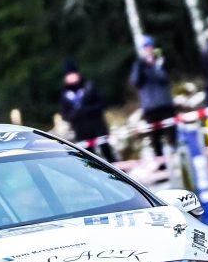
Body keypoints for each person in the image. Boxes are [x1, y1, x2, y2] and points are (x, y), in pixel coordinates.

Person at [129, 35, 178, 167]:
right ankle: (161, 165)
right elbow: (136, 82)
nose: (147, 50)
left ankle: (177, 159)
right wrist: (141, 66)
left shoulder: (160, 61)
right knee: (155, 138)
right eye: (144, 48)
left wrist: (152, 67)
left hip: (166, 104)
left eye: (149, 47)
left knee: (172, 134)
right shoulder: (139, 65)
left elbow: (164, 78)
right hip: (150, 108)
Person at [58, 61, 117, 163]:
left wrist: (87, 109)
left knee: (107, 153)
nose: (71, 77)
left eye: (73, 74)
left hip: (98, 127)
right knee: (90, 160)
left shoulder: (89, 87)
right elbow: (65, 115)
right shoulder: (65, 95)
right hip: (82, 132)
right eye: (69, 75)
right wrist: (75, 114)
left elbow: (102, 103)